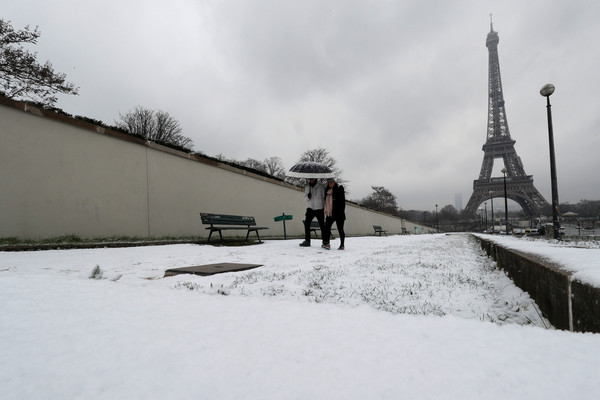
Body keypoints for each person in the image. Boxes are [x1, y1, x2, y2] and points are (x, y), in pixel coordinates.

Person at [299, 178, 326, 247]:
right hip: (311, 208)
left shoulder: (321, 186)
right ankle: (307, 241)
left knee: (322, 225)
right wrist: (308, 197)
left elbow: (324, 197)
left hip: (319, 208)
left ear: (316, 179)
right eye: (311, 179)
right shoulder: (308, 187)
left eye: (313, 179)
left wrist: (325, 207)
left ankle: (325, 241)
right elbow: (305, 199)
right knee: (307, 223)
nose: (312, 180)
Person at [322, 178, 346, 250]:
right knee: (327, 228)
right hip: (330, 213)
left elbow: (343, 203)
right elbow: (325, 202)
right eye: (329, 183)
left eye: (332, 182)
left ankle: (342, 245)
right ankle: (327, 244)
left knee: (340, 229)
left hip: (338, 214)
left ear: (335, 183)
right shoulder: (327, 191)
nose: (331, 184)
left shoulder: (339, 190)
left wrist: (341, 212)